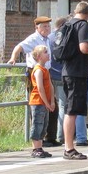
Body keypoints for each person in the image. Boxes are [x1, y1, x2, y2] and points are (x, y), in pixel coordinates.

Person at [7, 16, 58, 147]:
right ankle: (38, 140)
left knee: (53, 105)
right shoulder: (33, 38)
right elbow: (19, 46)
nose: (47, 29)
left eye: (48, 26)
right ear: (37, 28)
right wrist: (13, 58)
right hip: (35, 71)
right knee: (38, 105)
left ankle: (49, 137)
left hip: (46, 71)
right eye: (44, 26)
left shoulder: (47, 39)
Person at [61, 2, 88, 160]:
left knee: (70, 109)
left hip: (67, 71)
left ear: (76, 11)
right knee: (71, 111)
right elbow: (84, 48)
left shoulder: (68, 24)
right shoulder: (83, 25)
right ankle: (69, 149)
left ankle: (69, 146)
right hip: (77, 73)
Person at [28, 45, 55, 158]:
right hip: (38, 102)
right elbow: (40, 88)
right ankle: (36, 148)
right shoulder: (38, 70)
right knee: (37, 124)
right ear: (39, 56)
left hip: (45, 102)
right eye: (45, 52)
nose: (48, 54)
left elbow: (50, 85)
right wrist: (46, 102)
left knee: (44, 124)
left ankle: (40, 146)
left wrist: (52, 101)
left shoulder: (45, 70)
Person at [47, 16, 68, 145]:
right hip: (61, 75)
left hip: (50, 75)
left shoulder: (48, 38)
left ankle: (52, 134)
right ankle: (61, 136)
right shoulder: (62, 37)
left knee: (52, 105)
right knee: (62, 106)